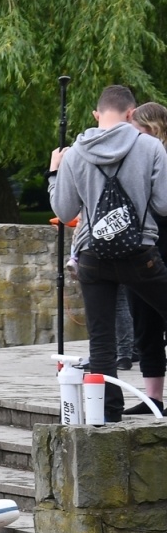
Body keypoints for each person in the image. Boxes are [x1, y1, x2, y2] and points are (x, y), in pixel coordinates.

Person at [50, 84, 167, 422]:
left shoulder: (73, 153)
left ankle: (107, 414)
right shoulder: (150, 147)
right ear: (132, 113)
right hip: (139, 255)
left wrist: (54, 172)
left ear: (96, 114)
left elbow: (64, 207)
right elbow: (163, 203)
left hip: (92, 258)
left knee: (102, 343)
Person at [123, 100, 167, 413]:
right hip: (141, 251)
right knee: (144, 322)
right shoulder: (137, 159)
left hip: (161, 247)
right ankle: (153, 398)